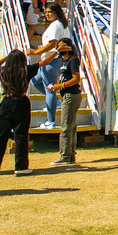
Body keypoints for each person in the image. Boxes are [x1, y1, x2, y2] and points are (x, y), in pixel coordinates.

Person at [0, 49, 55, 176]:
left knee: (0, 135)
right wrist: (56, 51)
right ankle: (21, 166)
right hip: (21, 101)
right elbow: (45, 61)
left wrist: (7, 57)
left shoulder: (3, 71)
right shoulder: (26, 70)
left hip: (6, 102)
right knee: (21, 135)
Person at [28, 4, 71, 129]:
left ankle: (50, 121)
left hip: (52, 61)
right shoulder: (60, 25)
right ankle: (56, 102)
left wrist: (36, 52)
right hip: (52, 60)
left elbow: (53, 44)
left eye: (50, 12)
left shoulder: (56, 25)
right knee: (34, 80)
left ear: (57, 12)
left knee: (50, 89)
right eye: (45, 12)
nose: (47, 14)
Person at [48, 38, 83, 166]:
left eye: (61, 46)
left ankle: (65, 156)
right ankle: (70, 154)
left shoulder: (72, 60)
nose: (59, 49)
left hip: (71, 95)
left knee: (66, 127)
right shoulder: (64, 61)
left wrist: (61, 86)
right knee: (70, 126)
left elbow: (76, 78)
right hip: (66, 95)